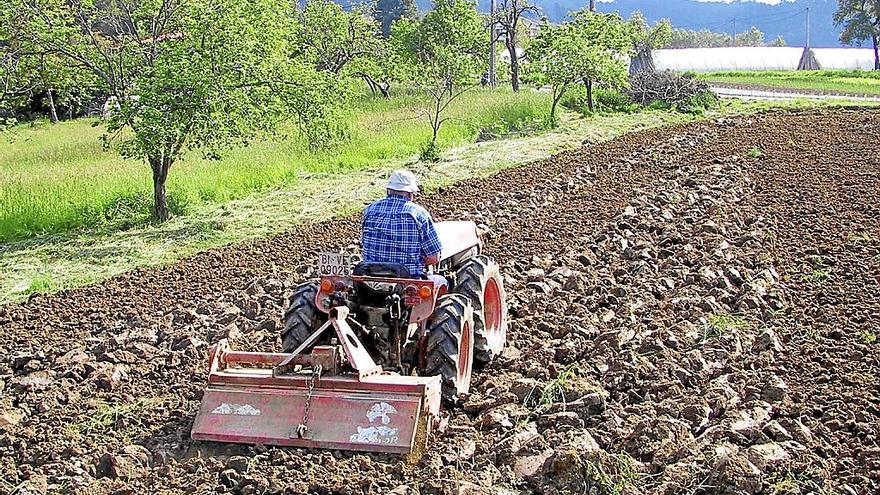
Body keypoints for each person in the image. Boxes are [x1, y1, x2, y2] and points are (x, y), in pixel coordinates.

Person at [361, 170, 444, 284]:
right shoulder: (419, 214)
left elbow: (365, 244)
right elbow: (434, 258)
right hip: (407, 282)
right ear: (410, 194)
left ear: (388, 190)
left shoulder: (369, 210)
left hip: (370, 280)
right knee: (442, 281)